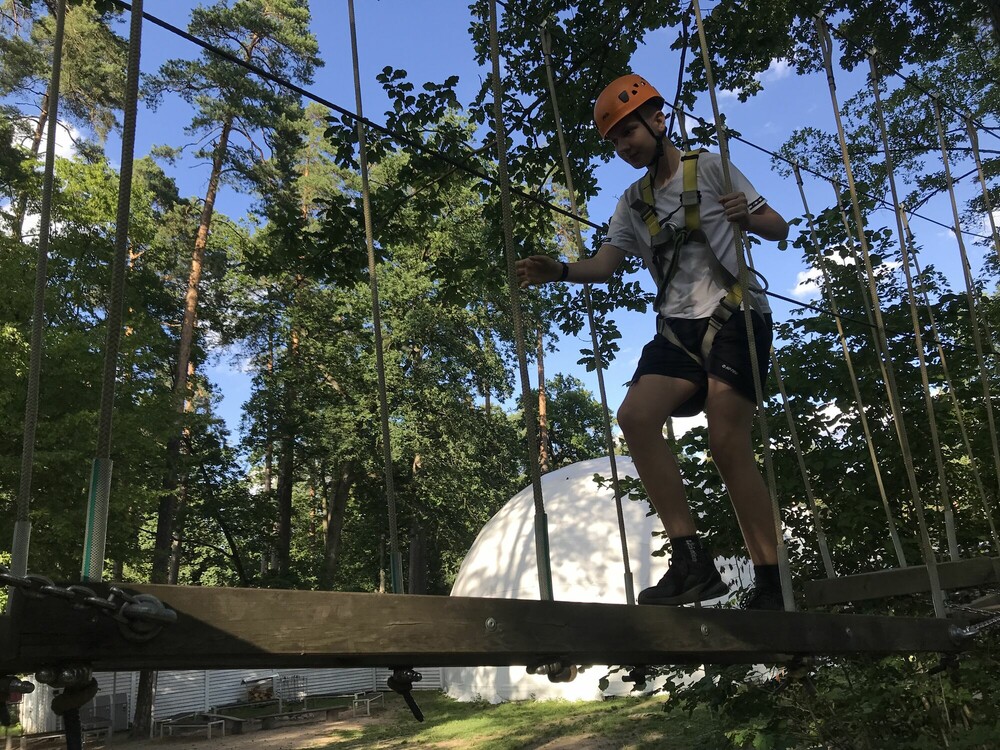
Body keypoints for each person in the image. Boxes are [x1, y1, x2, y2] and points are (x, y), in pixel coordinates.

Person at [516, 74, 789, 610]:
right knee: (636, 417)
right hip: (677, 328)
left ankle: (771, 582)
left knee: (726, 443)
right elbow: (605, 266)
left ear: (659, 121)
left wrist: (748, 216)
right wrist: (561, 270)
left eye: (629, 132)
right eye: (615, 140)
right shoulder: (631, 202)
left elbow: (777, 226)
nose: (624, 146)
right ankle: (692, 562)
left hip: (735, 315)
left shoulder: (709, 167)